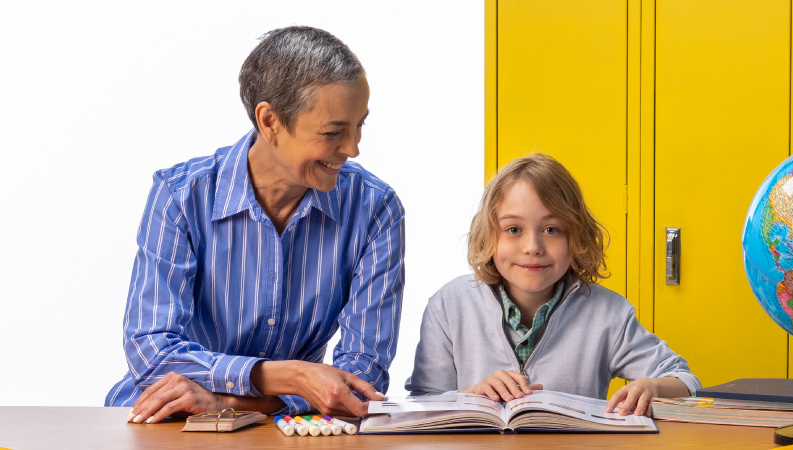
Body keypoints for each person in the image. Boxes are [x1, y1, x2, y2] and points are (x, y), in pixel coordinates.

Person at [106, 26, 405, 424]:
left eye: (359, 125)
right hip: (165, 420)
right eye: (334, 132)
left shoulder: (375, 210)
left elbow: (359, 381)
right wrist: (294, 377)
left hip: (285, 428)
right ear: (270, 122)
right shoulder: (180, 196)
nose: (353, 148)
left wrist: (232, 402)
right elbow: (151, 353)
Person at [405, 154, 700, 417]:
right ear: (488, 235)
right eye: (513, 229)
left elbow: (686, 381)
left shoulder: (608, 314)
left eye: (551, 229)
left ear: (576, 236)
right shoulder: (448, 305)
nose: (533, 246)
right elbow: (420, 404)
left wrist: (652, 387)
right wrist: (468, 398)